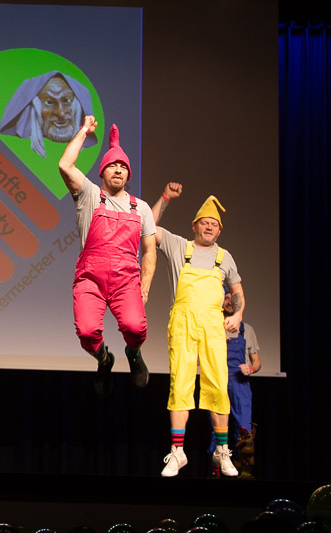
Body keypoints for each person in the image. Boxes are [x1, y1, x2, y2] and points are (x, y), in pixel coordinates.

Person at [151, 183, 245, 478]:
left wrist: (238, 314)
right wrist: (166, 197)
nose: (209, 227)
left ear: (219, 230)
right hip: (183, 322)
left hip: (213, 324)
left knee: (217, 385)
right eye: (204, 223)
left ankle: (222, 451)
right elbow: (146, 225)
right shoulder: (180, 246)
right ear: (194, 226)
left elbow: (237, 292)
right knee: (180, 384)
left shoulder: (224, 257)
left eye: (214, 224)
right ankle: (178, 452)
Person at [58, 115, 155, 396]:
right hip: (91, 278)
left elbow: (149, 251)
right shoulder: (89, 195)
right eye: (112, 165)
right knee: (87, 332)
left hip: (126, 280)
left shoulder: (141, 208)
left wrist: (145, 287)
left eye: (123, 167)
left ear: (128, 174)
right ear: (102, 172)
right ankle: (104, 360)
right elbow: (65, 165)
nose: (118, 170)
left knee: (136, 328)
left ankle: (133, 355)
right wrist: (84, 131)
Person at [206, 287, 261, 477]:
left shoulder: (247, 330)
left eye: (232, 298)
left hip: (240, 386)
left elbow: (257, 362)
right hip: (218, 384)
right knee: (217, 432)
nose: (229, 302)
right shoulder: (213, 327)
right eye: (226, 298)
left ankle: (244, 474)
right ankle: (215, 474)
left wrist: (250, 369)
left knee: (245, 434)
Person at [0, 71, 96, 158]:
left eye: (67, 101)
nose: (61, 114)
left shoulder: (90, 155)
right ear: (35, 106)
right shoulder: (13, 148)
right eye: (49, 102)